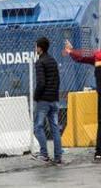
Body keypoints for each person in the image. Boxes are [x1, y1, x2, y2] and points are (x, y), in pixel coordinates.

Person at [31, 37, 62, 165]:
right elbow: (58, 81)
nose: (35, 49)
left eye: (36, 46)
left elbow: (41, 83)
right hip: (54, 99)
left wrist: (36, 96)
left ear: (40, 48)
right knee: (55, 128)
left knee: (38, 127)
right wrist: (54, 95)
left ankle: (44, 154)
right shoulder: (53, 60)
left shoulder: (40, 62)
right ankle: (58, 157)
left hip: (43, 100)